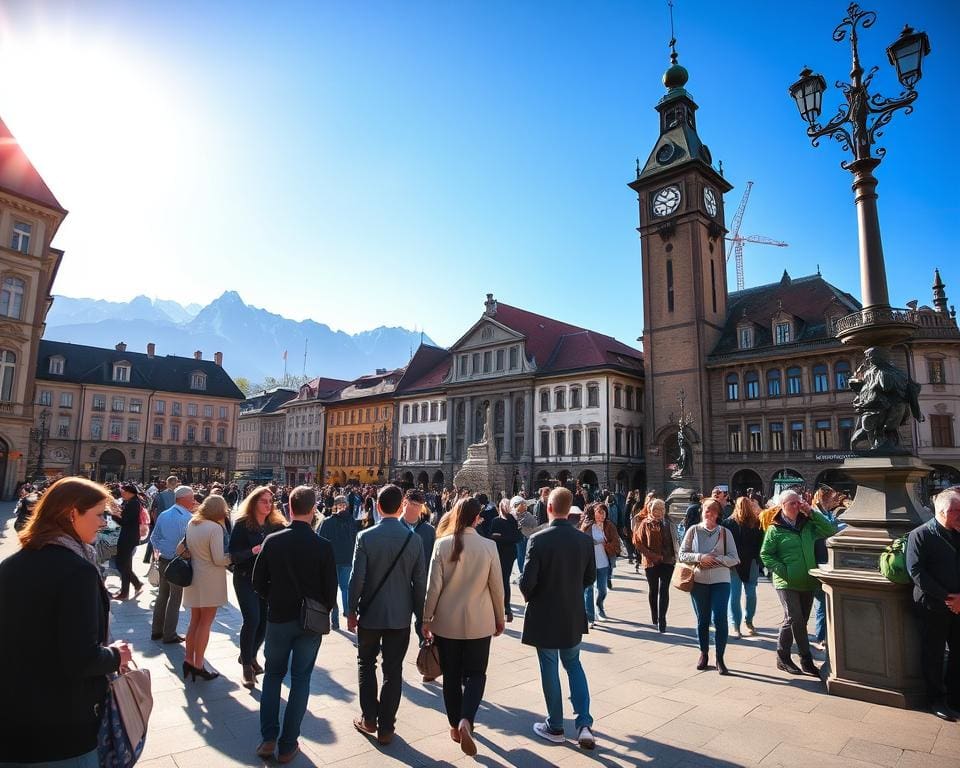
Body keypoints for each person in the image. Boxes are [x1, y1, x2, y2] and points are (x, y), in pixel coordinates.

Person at [0, 477, 133, 765]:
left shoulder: (13, 563)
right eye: (99, 514)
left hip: (13, 717)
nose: (104, 523)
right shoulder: (77, 571)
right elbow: (81, 659)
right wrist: (115, 655)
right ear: (72, 513)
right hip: (62, 723)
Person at [253, 486, 337, 763]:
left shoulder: (273, 541)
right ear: (313, 510)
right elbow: (330, 590)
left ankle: (268, 738)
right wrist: (319, 608)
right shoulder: (323, 546)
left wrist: (274, 598)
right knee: (301, 679)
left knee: (273, 675)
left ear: (289, 508)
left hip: (278, 619)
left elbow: (257, 583)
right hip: (310, 623)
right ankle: (288, 745)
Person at [422, 498, 505, 756]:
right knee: (476, 674)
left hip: (447, 624)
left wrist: (426, 619)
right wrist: (499, 617)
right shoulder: (489, 546)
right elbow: (497, 588)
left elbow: (432, 588)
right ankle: (467, 720)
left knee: (451, 677)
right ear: (477, 518)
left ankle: (454, 727)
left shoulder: (442, 544)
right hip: (480, 623)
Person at [348, 484, 427, 746]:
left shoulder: (366, 537)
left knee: (365, 664)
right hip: (400, 617)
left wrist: (350, 611)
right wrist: (421, 620)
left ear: (378, 507)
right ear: (401, 506)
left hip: (370, 614)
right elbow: (420, 584)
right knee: (393, 671)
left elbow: (356, 578)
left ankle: (369, 718)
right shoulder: (414, 540)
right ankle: (386, 728)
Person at [520, 487, 597, 750]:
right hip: (573, 613)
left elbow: (527, 582)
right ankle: (584, 725)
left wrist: (530, 593)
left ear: (549, 508)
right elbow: (590, 579)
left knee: (549, 666)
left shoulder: (538, 540)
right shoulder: (584, 541)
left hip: (545, 614)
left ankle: (555, 726)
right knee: (574, 664)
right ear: (570, 508)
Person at [760, 489, 838, 677]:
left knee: (799, 621)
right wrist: (782, 570)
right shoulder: (775, 528)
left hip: (807, 580)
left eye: (798, 502)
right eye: (792, 503)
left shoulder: (808, 524)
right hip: (786, 581)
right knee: (794, 618)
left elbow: (830, 531)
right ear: (782, 506)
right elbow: (766, 554)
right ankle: (797, 658)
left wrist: (812, 512)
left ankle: (792, 659)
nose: (796, 506)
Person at [906, 487, 960, 721]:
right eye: (955, 510)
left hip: (959, 604)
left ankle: (956, 696)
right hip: (933, 605)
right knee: (934, 653)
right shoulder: (920, 534)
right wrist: (949, 598)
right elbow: (916, 572)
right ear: (940, 511)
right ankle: (936, 699)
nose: (959, 514)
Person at [230, 485, 286, 687]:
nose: (269, 505)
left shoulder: (276, 525)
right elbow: (233, 555)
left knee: (264, 623)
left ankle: (250, 655)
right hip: (245, 577)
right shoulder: (243, 524)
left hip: (267, 580)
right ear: (254, 502)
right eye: (264, 501)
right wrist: (253, 551)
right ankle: (246, 667)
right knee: (252, 620)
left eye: (271, 501)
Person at [679, 498, 740, 675]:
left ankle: (720, 657)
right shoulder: (693, 531)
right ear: (702, 512)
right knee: (702, 619)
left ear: (718, 514)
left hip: (721, 581)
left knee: (720, 618)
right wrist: (700, 557)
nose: (710, 514)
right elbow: (682, 554)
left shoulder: (725, 533)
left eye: (714, 511)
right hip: (698, 581)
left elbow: (735, 557)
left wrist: (717, 560)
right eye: (707, 510)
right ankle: (703, 653)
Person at [182, 494, 233, 681]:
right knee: (206, 622)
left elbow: (183, 548)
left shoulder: (192, 523)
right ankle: (198, 663)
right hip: (210, 578)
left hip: (194, 575)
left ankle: (188, 659)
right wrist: (234, 557)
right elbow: (219, 559)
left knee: (194, 621)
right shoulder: (215, 528)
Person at [150, 485, 199, 643]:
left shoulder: (164, 514)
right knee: (175, 597)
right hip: (177, 561)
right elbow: (188, 543)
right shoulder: (187, 518)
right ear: (183, 499)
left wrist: (163, 551)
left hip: (164, 558)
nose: (194, 501)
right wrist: (180, 554)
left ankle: (156, 630)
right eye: (192, 498)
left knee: (162, 594)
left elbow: (154, 537)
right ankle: (169, 634)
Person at [722, 495, 764, 638]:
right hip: (744, 562)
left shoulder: (730, 523)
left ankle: (741, 624)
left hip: (741, 563)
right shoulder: (754, 524)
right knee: (745, 594)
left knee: (738, 595)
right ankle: (743, 623)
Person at [317, 494, 359, 632]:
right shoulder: (352, 521)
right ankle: (348, 617)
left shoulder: (327, 522)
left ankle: (334, 621)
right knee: (345, 589)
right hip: (347, 559)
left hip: (332, 560)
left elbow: (320, 541)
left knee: (332, 590)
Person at [400, 488, 435, 650]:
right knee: (399, 628)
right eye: (412, 504)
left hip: (423, 584)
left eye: (419, 505)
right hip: (399, 585)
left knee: (423, 624)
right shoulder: (395, 528)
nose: (415, 508)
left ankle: (426, 659)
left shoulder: (428, 531)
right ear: (404, 503)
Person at [634, 498, 676, 632]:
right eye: (656, 509)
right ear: (651, 510)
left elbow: (674, 540)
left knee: (664, 590)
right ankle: (655, 617)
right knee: (654, 590)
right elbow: (638, 542)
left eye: (662, 509)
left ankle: (662, 619)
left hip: (667, 561)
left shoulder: (668, 523)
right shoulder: (646, 523)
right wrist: (652, 556)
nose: (659, 512)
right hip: (651, 562)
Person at [810, 486, 844, 650]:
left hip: (825, 557)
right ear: (825, 498)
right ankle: (820, 637)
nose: (835, 501)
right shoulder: (816, 513)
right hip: (818, 558)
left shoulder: (826, 512)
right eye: (832, 498)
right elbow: (829, 529)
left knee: (823, 601)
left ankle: (823, 634)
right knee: (821, 602)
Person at [580, 503, 619, 627]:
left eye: (604, 512)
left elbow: (616, 543)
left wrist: (605, 544)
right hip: (589, 563)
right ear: (593, 513)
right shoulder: (587, 526)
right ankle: (590, 617)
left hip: (604, 561)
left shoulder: (609, 525)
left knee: (602, 589)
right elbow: (580, 542)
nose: (602, 515)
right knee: (589, 589)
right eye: (599, 512)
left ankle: (599, 606)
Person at [110, 482, 145, 600]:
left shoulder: (133, 504)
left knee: (122, 564)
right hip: (129, 536)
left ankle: (127, 590)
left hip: (128, 537)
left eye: (123, 492)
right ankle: (134, 585)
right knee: (125, 564)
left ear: (130, 493)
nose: (122, 494)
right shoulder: (132, 502)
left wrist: (113, 515)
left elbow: (125, 521)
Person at [489, 497, 522, 622]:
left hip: (504, 553)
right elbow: (491, 536)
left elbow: (516, 537)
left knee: (502, 580)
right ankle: (504, 608)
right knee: (502, 580)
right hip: (501, 553)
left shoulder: (509, 520)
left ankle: (505, 608)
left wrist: (500, 538)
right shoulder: (499, 520)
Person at [144, 474, 179, 563]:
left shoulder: (159, 495)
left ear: (167, 483)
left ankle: (153, 558)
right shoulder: (179, 496)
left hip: (161, 521)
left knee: (156, 540)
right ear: (176, 484)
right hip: (175, 523)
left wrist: (156, 522)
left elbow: (153, 511)